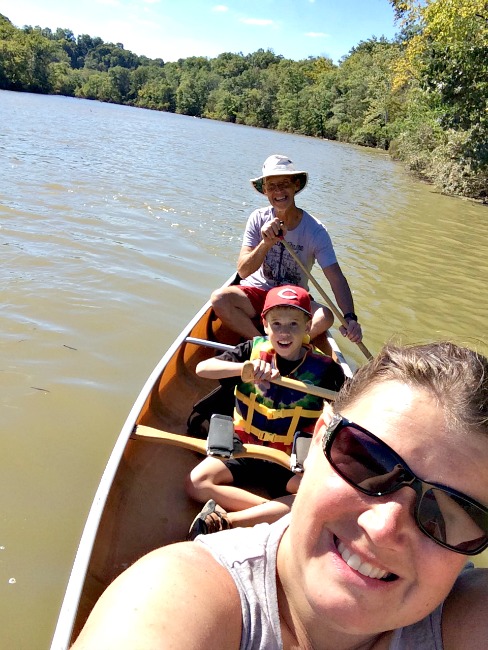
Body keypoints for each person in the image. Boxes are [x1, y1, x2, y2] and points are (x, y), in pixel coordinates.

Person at [71, 341, 488, 650]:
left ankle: (230, 519)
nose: (382, 529)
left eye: (451, 513)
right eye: (367, 460)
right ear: (321, 433)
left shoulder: (470, 619)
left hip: (280, 466)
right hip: (249, 452)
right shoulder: (170, 593)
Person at [185, 284, 345, 538]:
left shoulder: (326, 371)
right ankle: (272, 513)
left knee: (319, 497)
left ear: (307, 327)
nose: (284, 332)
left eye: (294, 324)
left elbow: (350, 406)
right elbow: (202, 369)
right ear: (266, 325)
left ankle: (229, 520)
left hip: (286, 458)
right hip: (243, 446)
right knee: (196, 483)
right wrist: (243, 369)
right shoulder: (252, 351)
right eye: (277, 324)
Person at [211, 154, 363, 344]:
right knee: (219, 299)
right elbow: (243, 270)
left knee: (326, 316)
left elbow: (336, 277)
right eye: (272, 186)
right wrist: (266, 243)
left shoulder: (315, 230)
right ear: (265, 190)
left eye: (284, 184)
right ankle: (262, 343)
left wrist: (350, 317)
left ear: (295, 186)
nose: (279, 191)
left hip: (292, 299)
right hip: (259, 292)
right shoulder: (257, 218)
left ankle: (293, 345)